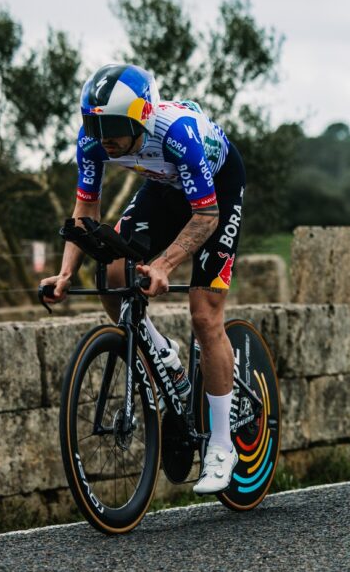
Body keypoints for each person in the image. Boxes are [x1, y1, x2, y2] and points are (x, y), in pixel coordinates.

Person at [40, 64, 245, 493]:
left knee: (204, 315)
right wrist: (63, 273)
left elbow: (205, 216)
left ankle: (223, 445)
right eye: (93, 124)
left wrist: (165, 266)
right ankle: (164, 354)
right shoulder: (94, 142)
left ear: (142, 116)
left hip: (215, 193)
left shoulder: (177, 133)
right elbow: (85, 214)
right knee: (113, 271)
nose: (102, 136)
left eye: (112, 125)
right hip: (164, 187)